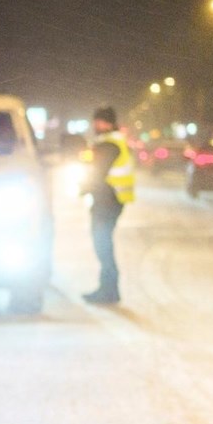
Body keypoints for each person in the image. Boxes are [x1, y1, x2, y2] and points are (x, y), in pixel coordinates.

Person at [80, 106, 134, 305]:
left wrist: (84, 188)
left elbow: (97, 172)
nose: (95, 125)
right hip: (111, 200)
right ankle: (108, 289)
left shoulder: (109, 145)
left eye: (98, 121)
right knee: (103, 244)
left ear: (106, 123)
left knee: (102, 245)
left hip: (108, 201)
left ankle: (108, 290)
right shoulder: (112, 141)